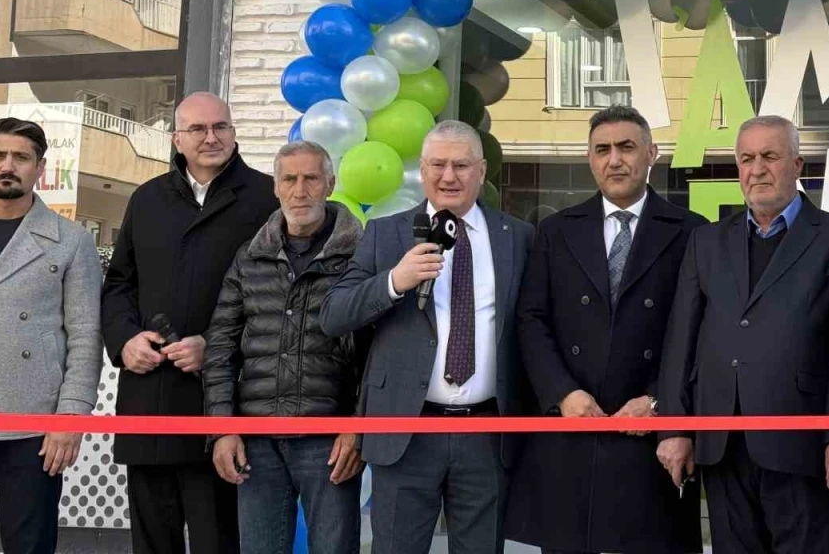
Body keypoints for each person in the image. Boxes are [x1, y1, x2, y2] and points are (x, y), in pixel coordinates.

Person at [320, 120, 534, 554]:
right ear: (421, 169)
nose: (448, 176)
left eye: (460, 165)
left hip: (488, 434)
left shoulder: (517, 237)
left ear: (481, 171)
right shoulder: (386, 233)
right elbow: (333, 315)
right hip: (406, 431)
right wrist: (394, 281)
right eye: (437, 165)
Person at [657, 115, 829, 554]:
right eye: (747, 159)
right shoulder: (707, 242)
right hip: (722, 442)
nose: (757, 169)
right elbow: (681, 341)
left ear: (798, 165)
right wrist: (674, 427)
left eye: (770, 156)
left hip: (803, 444)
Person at [507, 105, 705, 554]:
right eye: (602, 150)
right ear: (590, 159)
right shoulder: (556, 231)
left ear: (651, 153)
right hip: (572, 429)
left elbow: (700, 333)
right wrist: (562, 393)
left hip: (650, 433)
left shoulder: (692, 232)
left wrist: (657, 400)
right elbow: (531, 320)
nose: (614, 160)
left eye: (626, 147)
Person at [102, 92, 278, 554]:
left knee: (218, 540)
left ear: (234, 133)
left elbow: (280, 303)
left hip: (225, 408)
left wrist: (216, 348)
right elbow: (119, 284)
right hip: (150, 400)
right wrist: (125, 341)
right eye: (197, 129)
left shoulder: (267, 199)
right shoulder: (146, 199)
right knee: (151, 542)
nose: (210, 137)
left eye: (221, 127)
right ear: (177, 139)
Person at [203, 141, 368, 554]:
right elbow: (220, 347)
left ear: (330, 184)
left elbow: (379, 353)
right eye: (289, 179)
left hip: (329, 440)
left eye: (311, 178)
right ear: (276, 187)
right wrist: (222, 428)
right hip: (257, 442)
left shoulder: (362, 255)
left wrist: (358, 426)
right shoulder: (250, 257)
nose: (300, 190)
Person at [0, 117, 103, 554]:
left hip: (34, 423)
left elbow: (86, 334)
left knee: (29, 547)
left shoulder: (71, 240)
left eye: (21, 157)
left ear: (40, 167)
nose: (7, 166)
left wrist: (70, 417)